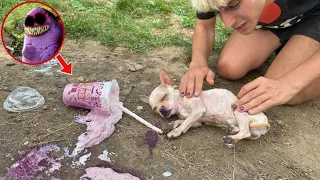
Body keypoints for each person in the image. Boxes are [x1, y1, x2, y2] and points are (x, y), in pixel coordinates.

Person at [179, 0, 320, 114]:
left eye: (234, 5)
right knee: (230, 67)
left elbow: (288, 85)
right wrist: (198, 62)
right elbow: (204, 26)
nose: (227, 24)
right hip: (277, 21)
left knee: (288, 90)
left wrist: (289, 83)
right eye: (218, 11)